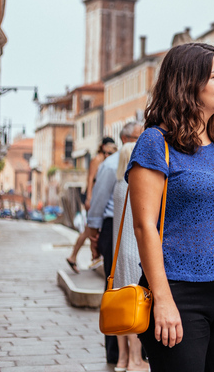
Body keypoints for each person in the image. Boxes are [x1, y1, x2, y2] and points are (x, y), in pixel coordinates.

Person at [127, 43, 214, 372]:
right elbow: (144, 227)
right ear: (187, 83)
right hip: (179, 292)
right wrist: (164, 300)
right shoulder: (155, 142)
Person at [88, 123, 143, 364]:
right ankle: (131, 358)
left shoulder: (120, 173)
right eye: (138, 137)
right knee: (130, 297)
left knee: (117, 293)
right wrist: (94, 234)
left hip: (119, 238)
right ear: (126, 138)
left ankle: (120, 357)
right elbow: (98, 203)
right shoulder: (115, 169)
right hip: (122, 236)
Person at [111, 142, 148, 372]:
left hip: (119, 253)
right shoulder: (134, 184)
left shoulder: (117, 186)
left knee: (120, 306)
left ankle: (122, 359)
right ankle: (136, 359)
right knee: (135, 307)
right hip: (134, 250)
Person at [67, 137, 117, 273]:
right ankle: (85, 256)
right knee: (90, 229)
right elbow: (90, 179)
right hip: (94, 197)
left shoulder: (110, 162)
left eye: (111, 152)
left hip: (99, 197)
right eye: (106, 151)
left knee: (90, 230)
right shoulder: (97, 160)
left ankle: (86, 256)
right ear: (103, 148)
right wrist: (89, 198)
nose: (108, 154)